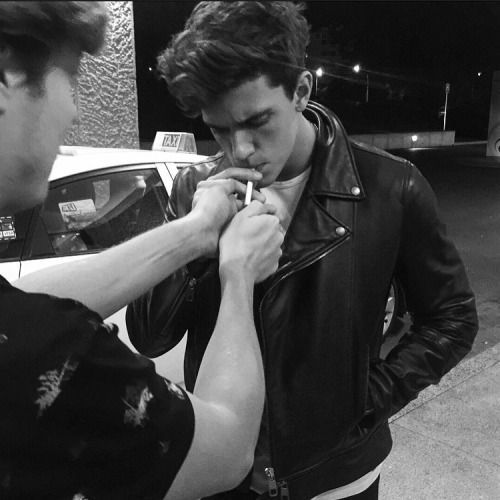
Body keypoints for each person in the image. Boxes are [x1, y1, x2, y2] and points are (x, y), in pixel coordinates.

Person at [126, 2, 479, 499]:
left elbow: (453, 317)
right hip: (229, 473)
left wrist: (366, 399)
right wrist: (200, 244)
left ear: (302, 90)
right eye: (220, 128)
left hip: (337, 478)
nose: (240, 149)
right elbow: (149, 336)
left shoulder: (389, 186)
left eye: (257, 121)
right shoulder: (195, 189)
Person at [0, 2, 284, 499]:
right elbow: (229, 446)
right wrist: (237, 275)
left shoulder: (391, 185)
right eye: (69, 76)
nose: (76, 112)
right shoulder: (44, 356)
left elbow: (22, 298)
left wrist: (197, 231)